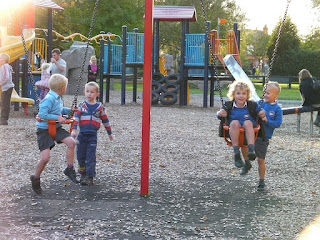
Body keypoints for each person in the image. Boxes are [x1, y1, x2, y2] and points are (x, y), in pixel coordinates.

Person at [30, 74, 78, 194]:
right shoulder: (48, 99)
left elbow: (59, 109)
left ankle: (69, 168)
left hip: (55, 127)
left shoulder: (57, 98)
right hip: (44, 130)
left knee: (71, 142)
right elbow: (42, 115)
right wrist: (57, 117)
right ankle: (35, 177)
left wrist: (69, 110)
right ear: (62, 88)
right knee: (45, 158)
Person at [240, 82, 282, 192]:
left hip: (264, 137)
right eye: (264, 93)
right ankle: (247, 163)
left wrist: (267, 119)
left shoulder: (277, 109)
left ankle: (261, 181)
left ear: (275, 95)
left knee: (260, 159)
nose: (265, 95)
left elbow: (277, 123)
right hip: (253, 133)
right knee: (243, 146)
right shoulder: (259, 103)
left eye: (268, 93)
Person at [71, 82, 113, 185]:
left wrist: (109, 133)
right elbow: (76, 118)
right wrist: (74, 129)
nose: (89, 94)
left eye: (92, 92)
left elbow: (105, 120)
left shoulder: (99, 108)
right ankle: (82, 173)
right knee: (80, 155)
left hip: (92, 135)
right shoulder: (81, 106)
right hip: (82, 134)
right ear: (84, 92)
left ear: (97, 94)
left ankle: (90, 176)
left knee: (90, 156)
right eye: (88, 92)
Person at [217, 80, 265, 168]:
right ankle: (236, 153)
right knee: (234, 123)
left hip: (249, 126)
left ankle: (251, 149)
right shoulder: (228, 105)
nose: (241, 96)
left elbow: (261, 112)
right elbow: (219, 114)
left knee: (247, 122)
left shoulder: (252, 105)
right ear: (233, 94)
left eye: (244, 94)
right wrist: (220, 113)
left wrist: (262, 114)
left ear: (247, 95)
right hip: (234, 128)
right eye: (238, 93)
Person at [0, 53, 14, 125]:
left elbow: (6, 77)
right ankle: (4, 118)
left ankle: (4, 119)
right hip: (6, 87)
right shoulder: (7, 66)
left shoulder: (4, 66)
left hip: (6, 87)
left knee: (4, 103)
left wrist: (0, 83)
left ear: (4, 60)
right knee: (5, 103)